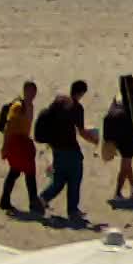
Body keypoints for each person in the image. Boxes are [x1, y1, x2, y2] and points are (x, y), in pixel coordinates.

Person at [38, 81, 98, 221]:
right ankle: (72, 210)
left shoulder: (59, 102)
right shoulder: (77, 108)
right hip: (70, 148)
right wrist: (95, 140)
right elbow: (82, 132)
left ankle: (43, 198)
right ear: (81, 93)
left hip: (56, 147)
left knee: (59, 179)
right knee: (74, 178)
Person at [0, 81, 41, 214]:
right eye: (30, 91)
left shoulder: (30, 106)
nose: (32, 94)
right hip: (16, 143)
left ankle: (5, 201)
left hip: (24, 143)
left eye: (34, 92)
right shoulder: (17, 107)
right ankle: (32, 203)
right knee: (25, 172)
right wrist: (5, 147)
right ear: (25, 91)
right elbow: (8, 128)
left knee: (16, 172)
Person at [103, 77, 133, 202]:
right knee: (126, 163)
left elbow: (110, 113)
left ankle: (132, 186)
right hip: (127, 136)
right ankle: (117, 193)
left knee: (126, 161)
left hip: (113, 134)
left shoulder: (117, 97)